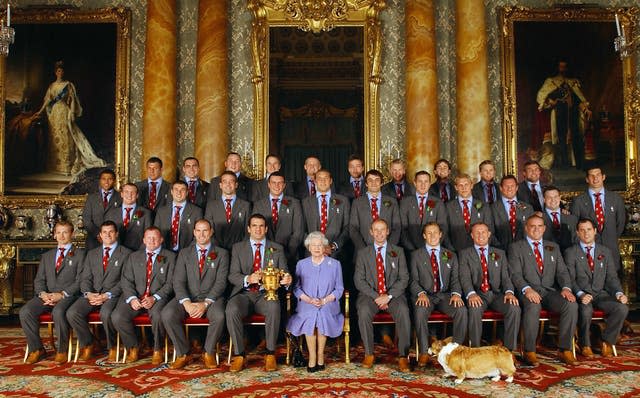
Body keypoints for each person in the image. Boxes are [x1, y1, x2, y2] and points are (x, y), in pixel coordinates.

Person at [508, 214, 578, 366]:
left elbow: (562, 272)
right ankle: (529, 351)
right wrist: (527, 289)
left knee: (571, 304)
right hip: (528, 291)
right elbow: (515, 274)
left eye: (539, 226)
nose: (536, 229)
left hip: (549, 291)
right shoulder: (516, 247)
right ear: (526, 228)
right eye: (532, 226)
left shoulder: (553, 246)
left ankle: (564, 349)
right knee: (533, 306)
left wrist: (566, 288)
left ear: (544, 228)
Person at [226, 214, 292, 372]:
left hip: (266, 294)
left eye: (261, 226)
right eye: (254, 226)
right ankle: (240, 354)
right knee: (231, 309)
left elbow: (285, 272)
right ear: (248, 229)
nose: (258, 229)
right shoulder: (238, 248)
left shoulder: (277, 248)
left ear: (266, 229)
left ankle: (270, 353)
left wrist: (288, 279)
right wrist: (248, 278)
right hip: (244, 294)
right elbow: (232, 275)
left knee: (274, 307)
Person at [162, 219, 229, 369]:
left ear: (211, 232)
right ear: (194, 233)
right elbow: (178, 281)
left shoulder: (222, 254)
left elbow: (221, 283)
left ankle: (209, 352)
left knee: (219, 316)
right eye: (198, 231)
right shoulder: (184, 253)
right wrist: (186, 303)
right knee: (167, 314)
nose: (202, 234)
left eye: (205, 230)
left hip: (211, 298)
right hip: (188, 297)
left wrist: (205, 303)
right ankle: (184, 353)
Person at [20, 220, 85, 365]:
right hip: (47, 295)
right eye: (59, 232)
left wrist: (62, 294)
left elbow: (80, 281)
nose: (61, 236)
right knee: (25, 311)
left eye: (65, 232)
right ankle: (37, 349)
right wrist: (43, 294)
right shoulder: (47, 256)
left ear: (72, 234)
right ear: (54, 235)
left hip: (68, 296)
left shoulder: (80, 254)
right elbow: (39, 280)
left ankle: (62, 349)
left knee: (58, 311)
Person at [67, 221, 131, 362]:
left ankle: (113, 346)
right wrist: (88, 293)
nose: (108, 235)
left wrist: (106, 295)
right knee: (72, 312)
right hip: (92, 294)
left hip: (113, 295)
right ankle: (89, 342)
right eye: (105, 232)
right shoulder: (92, 254)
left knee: (106, 313)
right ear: (100, 235)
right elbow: (85, 278)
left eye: (111, 232)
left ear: (116, 234)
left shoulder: (126, 254)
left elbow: (125, 281)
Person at [564, 218, 628, 358]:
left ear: (595, 231)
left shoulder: (605, 251)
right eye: (582, 230)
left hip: (601, 294)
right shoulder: (571, 252)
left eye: (588, 230)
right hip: (582, 295)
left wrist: (618, 293)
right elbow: (569, 279)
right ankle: (585, 344)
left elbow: (611, 277)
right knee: (586, 311)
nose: (586, 233)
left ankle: (606, 341)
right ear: (577, 233)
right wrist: (580, 294)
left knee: (621, 308)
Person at [111, 227, 176, 364]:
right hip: (136, 296)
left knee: (158, 315)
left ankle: (158, 349)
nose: (151, 241)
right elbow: (126, 280)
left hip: (157, 297)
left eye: (155, 238)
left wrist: (154, 297)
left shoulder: (171, 257)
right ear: (143, 240)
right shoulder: (134, 257)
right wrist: (132, 298)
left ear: (161, 240)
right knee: (117, 316)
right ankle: (133, 347)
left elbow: (171, 283)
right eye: (148, 238)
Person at [355, 219, 411, 372]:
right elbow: (359, 280)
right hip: (370, 295)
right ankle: (369, 353)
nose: (379, 233)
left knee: (404, 311)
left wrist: (389, 296)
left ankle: (403, 356)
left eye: (382, 229)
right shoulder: (363, 253)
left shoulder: (398, 251)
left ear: (387, 231)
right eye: (376, 230)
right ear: (371, 232)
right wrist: (376, 296)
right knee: (363, 310)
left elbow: (404, 277)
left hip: (394, 295)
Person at [34, 61, 106, 177]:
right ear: (55, 72)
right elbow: (47, 101)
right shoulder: (52, 86)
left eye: (62, 71)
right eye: (58, 71)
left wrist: (71, 113)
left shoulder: (68, 85)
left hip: (64, 112)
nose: (60, 73)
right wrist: (40, 111)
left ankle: (67, 166)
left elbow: (72, 100)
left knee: (66, 139)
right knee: (54, 139)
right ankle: (54, 167)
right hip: (54, 115)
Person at [409, 222, 467, 367]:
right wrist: (420, 293)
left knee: (461, 310)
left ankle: (456, 351)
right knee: (420, 310)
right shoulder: (416, 255)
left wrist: (456, 294)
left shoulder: (451, 255)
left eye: (435, 232)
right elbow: (412, 280)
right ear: (424, 236)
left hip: (444, 295)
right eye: (429, 233)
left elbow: (455, 279)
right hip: (425, 295)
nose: (433, 235)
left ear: (441, 235)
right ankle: (424, 352)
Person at [287, 232, 344, 372]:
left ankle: (320, 355)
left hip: (328, 303)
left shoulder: (335, 264)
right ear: (308, 247)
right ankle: (312, 356)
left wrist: (324, 300)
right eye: (314, 245)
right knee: (311, 316)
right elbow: (296, 289)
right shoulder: (301, 264)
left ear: (325, 247)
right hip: (307, 303)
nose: (317, 248)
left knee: (322, 315)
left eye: (320, 245)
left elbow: (339, 289)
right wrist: (309, 300)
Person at [458, 222, 520, 353]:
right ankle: (476, 351)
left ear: (489, 234)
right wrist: (471, 294)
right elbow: (464, 278)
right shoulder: (464, 254)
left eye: (483, 232)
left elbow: (506, 278)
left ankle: (510, 351)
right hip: (478, 294)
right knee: (474, 308)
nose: (481, 235)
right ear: (472, 235)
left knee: (514, 308)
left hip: (496, 294)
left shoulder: (500, 253)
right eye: (477, 233)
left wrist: (509, 292)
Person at [536, 60, 591, 169]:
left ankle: (578, 163)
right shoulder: (551, 82)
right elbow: (542, 97)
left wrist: (586, 109)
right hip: (559, 114)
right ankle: (563, 164)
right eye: (561, 67)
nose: (563, 69)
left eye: (565, 67)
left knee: (576, 137)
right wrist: (551, 102)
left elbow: (579, 99)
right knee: (561, 139)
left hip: (573, 114)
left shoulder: (572, 82)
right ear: (557, 68)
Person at [570, 167, 625, 269]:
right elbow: (574, 227)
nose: (595, 178)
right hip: (588, 253)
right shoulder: (578, 201)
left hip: (611, 250)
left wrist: (609, 238)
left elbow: (620, 224)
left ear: (603, 177)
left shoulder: (616, 199)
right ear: (587, 179)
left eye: (598, 175)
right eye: (592, 176)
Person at [252, 172, 304, 266]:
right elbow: (255, 230)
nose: (277, 185)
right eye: (273, 182)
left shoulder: (294, 203)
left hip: (289, 255)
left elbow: (298, 231)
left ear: (284, 185)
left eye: (280, 183)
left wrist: (287, 252)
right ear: (268, 184)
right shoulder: (259, 204)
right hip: (264, 254)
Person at [301, 169, 350, 259]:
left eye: (326, 178)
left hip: (336, 254)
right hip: (311, 254)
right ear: (315, 181)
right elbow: (301, 228)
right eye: (319, 178)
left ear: (330, 181)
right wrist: (313, 247)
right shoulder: (305, 202)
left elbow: (347, 227)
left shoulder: (343, 201)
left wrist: (334, 246)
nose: (323, 181)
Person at [349, 169, 401, 252]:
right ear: (366, 183)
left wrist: (389, 247)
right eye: (370, 180)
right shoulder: (357, 203)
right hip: (364, 250)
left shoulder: (392, 202)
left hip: (388, 251)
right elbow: (353, 228)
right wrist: (364, 249)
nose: (374, 183)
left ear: (382, 183)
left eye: (377, 180)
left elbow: (397, 227)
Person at [399, 171, 447, 253]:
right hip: (410, 251)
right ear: (415, 183)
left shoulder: (438, 202)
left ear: (429, 184)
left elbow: (443, 227)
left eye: (426, 181)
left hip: (432, 250)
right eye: (420, 181)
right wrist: (412, 249)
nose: (423, 185)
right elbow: (403, 229)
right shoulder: (405, 202)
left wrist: (433, 245)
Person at [445, 173, 494, 252]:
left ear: (471, 185)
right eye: (460, 185)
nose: (464, 188)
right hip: (456, 252)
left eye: (466, 185)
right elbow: (445, 232)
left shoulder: (483, 206)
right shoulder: (448, 207)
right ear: (456, 187)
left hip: (479, 252)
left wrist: (482, 249)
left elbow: (490, 230)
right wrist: (451, 250)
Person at [204, 171, 252, 251]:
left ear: (236, 185)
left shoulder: (246, 206)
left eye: (231, 181)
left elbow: (248, 231)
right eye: (225, 181)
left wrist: (240, 247)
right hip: (217, 251)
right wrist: (218, 249)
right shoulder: (211, 206)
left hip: (239, 250)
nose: (228, 184)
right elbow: (208, 230)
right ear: (220, 185)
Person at [153, 181, 203, 252]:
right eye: (176, 189)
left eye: (182, 190)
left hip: (188, 252)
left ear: (187, 193)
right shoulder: (161, 211)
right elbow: (156, 233)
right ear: (171, 192)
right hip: (164, 252)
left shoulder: (197, 211)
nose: (179, 192)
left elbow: (199, 236)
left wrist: (187, 251)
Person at [490, 175, 534, 250]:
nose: (509, 188)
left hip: (524, 251)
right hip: (501, 250)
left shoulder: (528, 208)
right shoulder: (492, 208)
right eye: (506, 186)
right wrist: (499, 248)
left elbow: (532, 231)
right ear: (501, 188)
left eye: (512, 186)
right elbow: (489, 232)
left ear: (517, 188)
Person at [105, 183, 152, 251]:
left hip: (137, 253)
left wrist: (140, 252)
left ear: (137, 195)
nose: (129, 195)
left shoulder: (146, 213)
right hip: (116, 253)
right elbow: (106, 235)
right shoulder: (111, 213)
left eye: (132, 192)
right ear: (121, 194)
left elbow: (149, 236)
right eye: (126, 192)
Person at [82, 169, 122, 250]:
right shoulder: (91, 198)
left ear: (114, 181)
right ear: (100, 181)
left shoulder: (121, 197)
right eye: (104, 179)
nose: (106, 182)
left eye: (110, 179)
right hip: (94, 240)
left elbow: (122, 219)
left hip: (114, 239)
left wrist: (110, 235)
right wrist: (98, 234)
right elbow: (86, 220)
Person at [541, 186, 577, 252]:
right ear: (544, 200)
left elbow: (576, 241)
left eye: (555, 197)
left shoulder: (572, 219)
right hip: (548, 258)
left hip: (569, 257)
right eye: (549, 197)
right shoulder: (539, 219)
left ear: (560, 198)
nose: (553, 200)